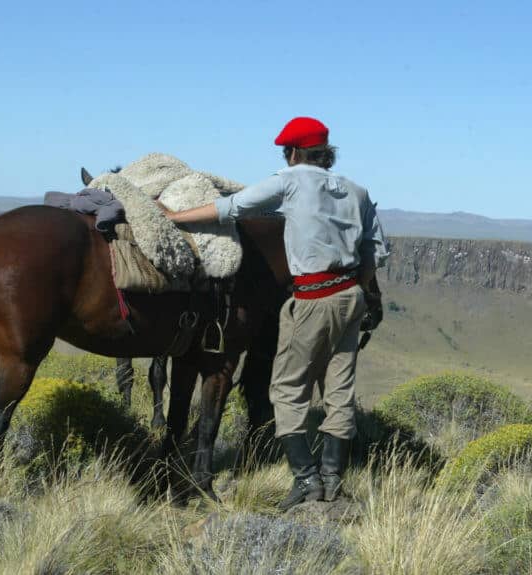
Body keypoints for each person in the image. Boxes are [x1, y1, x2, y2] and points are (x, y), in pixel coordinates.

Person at [161, 117, 388, 510]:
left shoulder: (291, 181)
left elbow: (231, 208)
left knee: (286, 389)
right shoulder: (358, 191)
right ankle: (332, 480)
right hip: (351, 296)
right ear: (326, 153)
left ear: (294, 152)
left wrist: (173, 219)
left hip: (313, 296)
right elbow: (374, 253)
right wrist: (353, 288)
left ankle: (305, 479)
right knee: (338, 391)